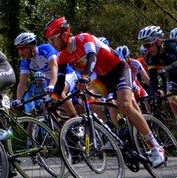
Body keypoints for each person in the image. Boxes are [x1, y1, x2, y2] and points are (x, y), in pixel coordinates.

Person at [46, 17, 166, 166]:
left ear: (64, 35)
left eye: (53, 39)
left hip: (120, 70)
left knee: (125, 105)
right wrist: (54, 99)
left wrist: (85, 76)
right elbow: (60, 81)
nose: (52, 43)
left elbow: (92, 57)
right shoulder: (62, 56)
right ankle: (112, 133)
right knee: (87, 99)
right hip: (103, 78)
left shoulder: (84, 38)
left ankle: (155, 146)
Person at [13, 31, 76, 116]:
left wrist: (53, 85)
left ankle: (76, 124)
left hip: (66, 75)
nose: (20, 52)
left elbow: (54, 66)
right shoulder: (26, 62)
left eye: (22, 48)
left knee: (59, 92)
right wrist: (18, 100)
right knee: (47, 106)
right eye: (18, 49)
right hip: (51, 81)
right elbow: (22, 83)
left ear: (32, 46)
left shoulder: (45, 49)